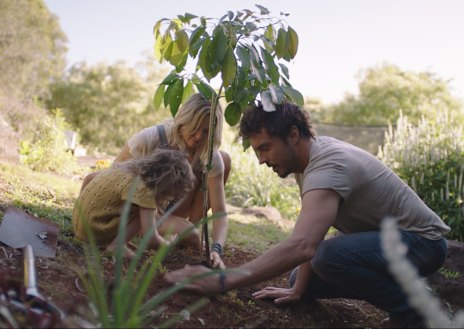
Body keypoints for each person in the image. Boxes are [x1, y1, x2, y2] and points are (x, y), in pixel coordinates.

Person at [165, 101, 450, 328]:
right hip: (390, 243)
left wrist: (223, 279)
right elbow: (313, 232)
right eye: (256, 151)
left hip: (423, 244)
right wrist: (298, 290)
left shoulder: (329, 165)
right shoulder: (309, 162)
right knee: (298, 281)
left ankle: (412, 313)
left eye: (265, 148)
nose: (262, 160)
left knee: (327, 258)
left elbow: (304, 245)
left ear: (293, 134)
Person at [81, 93, 232, 268]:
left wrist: (216, 249)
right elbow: (111, 180)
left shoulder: (209, 155)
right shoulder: (150, 138)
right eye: (194, 126)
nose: (198, 136)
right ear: (183, 119)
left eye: (206, 131)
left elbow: (220, 212)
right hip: (137, 208)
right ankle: (130, 234)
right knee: (94, 178)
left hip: (164, 211)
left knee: (190, 233)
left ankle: (170, 230)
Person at [73, 149, 195, 259]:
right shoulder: (144, 190)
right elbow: (151, 240)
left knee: (145, 208)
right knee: (143, 210)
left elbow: (90, 176)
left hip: (80, 227)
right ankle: (117, 246)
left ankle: (116, 241)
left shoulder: (123, 170)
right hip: (93, 233)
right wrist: (169, 243)